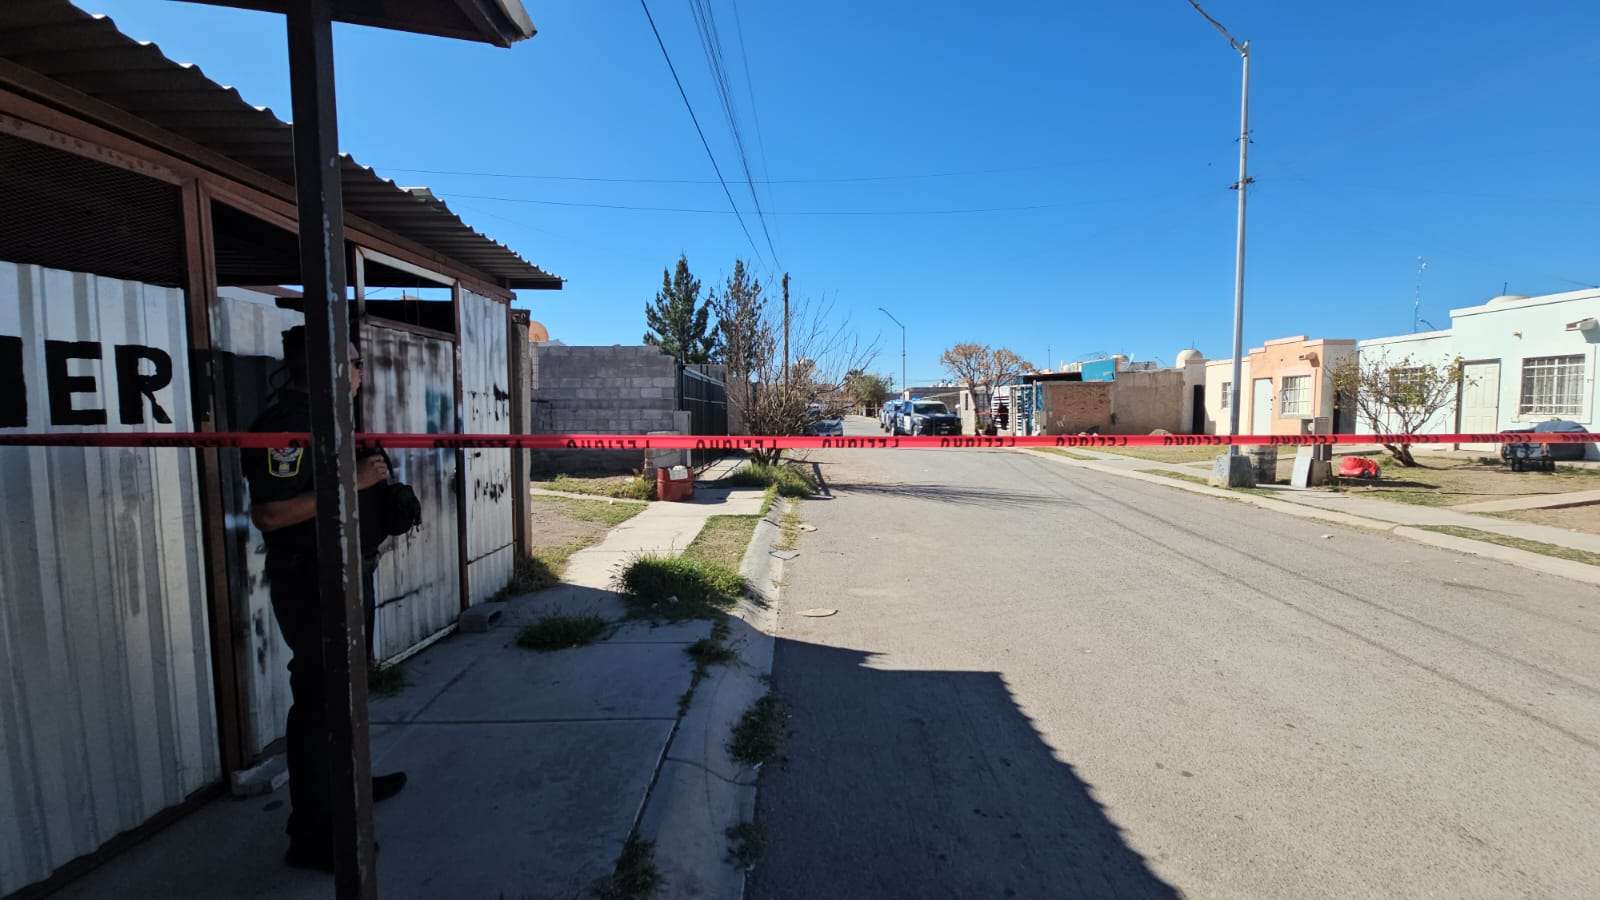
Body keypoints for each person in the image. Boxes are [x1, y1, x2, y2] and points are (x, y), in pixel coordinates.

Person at [243, 326, 408, 872]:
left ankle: (349, 787)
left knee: (350, 691)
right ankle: (314, 833)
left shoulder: (335, 422)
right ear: (325, 368)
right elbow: (270, 514)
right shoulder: (284, 429)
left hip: (349, 572)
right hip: (311, 580)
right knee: (319, 700)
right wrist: (353, 482)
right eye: (353, 363)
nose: (360, 373)